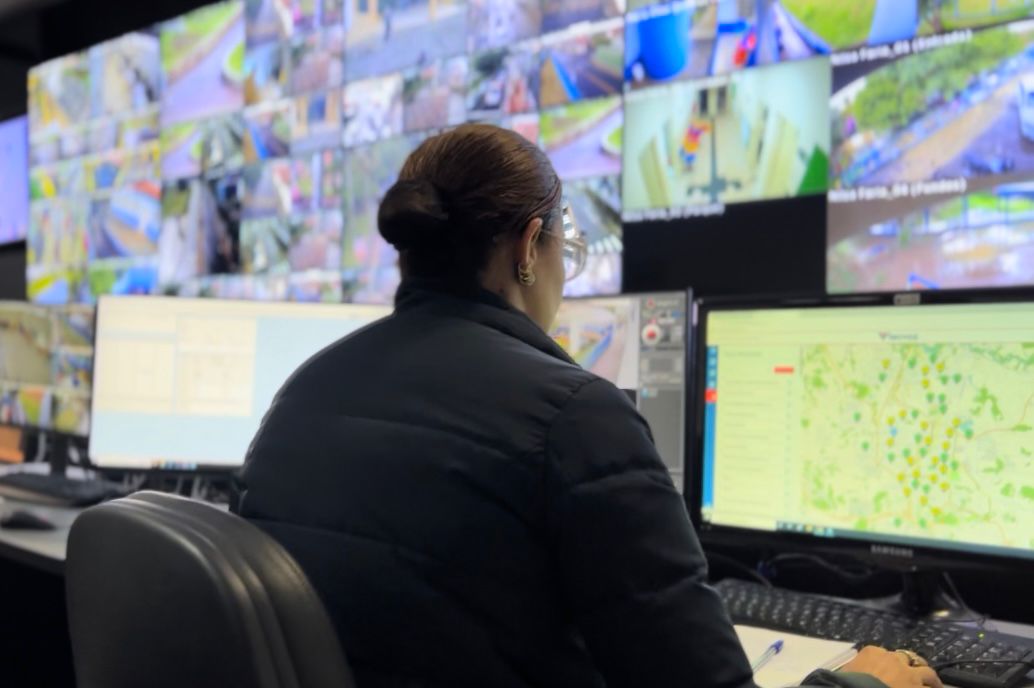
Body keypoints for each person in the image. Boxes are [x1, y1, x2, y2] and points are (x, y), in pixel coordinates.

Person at [235, 124, 944, 688]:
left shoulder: (303, 393)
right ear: (528, 247)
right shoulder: (574, 418)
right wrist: (864, 682)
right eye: (564, 249)